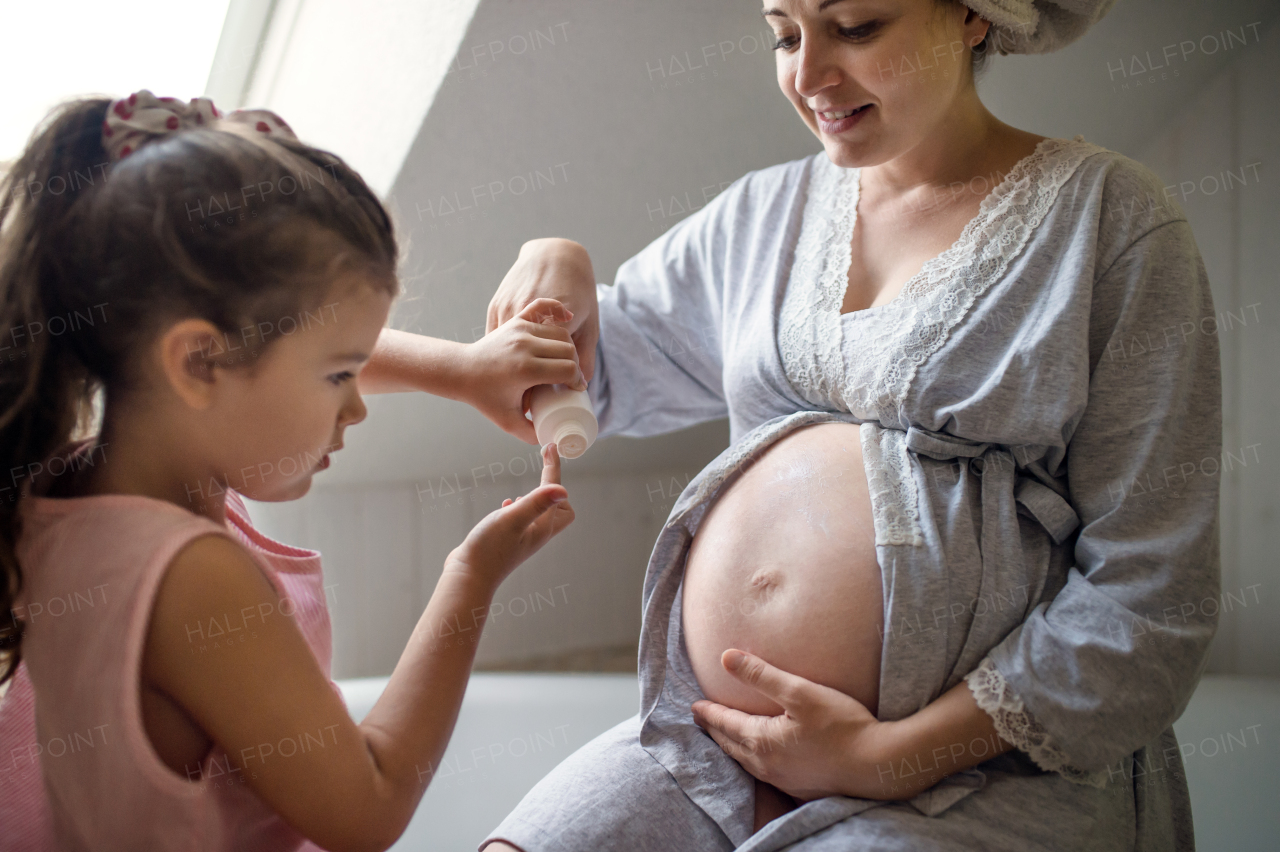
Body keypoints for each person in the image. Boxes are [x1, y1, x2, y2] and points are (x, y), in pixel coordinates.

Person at [480, 0, 1220, 849]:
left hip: (980, 773)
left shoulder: (1112, 223)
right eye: (784, 35)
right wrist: (559, 263)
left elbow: (1152, 602)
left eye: (857, 27)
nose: (807, 75)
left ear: (977, 16)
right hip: (715, 743)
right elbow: (575, 381)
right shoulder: (761, 217)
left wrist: (884, 758)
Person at [0, 90, 582, 851]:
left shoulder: (61, 487)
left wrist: (461, 371)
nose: (357, 408)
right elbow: (366, 808)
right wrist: (471, 577)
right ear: (200, 361)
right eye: (341, 377)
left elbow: (294, 341)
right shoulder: (192, 578)